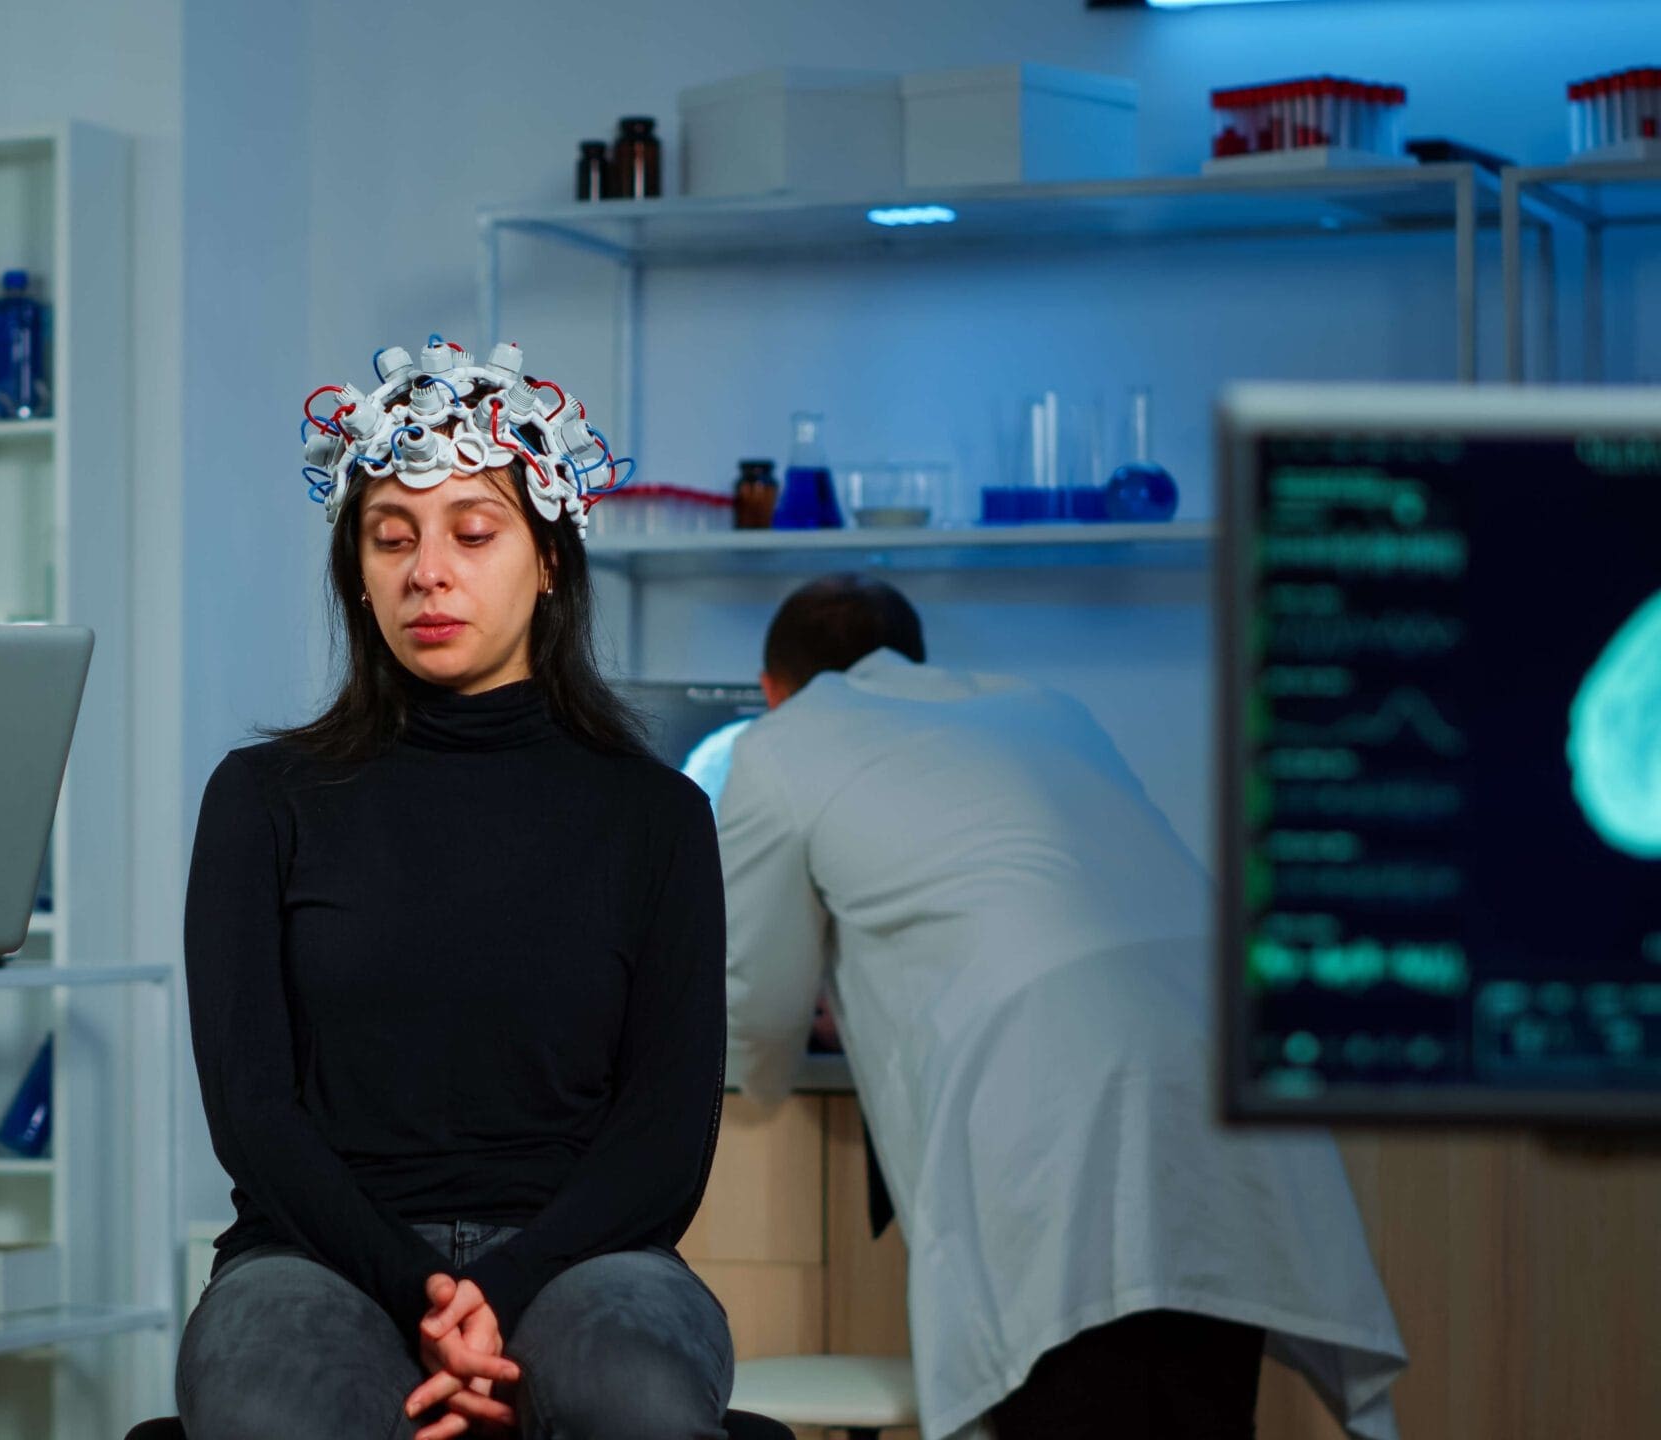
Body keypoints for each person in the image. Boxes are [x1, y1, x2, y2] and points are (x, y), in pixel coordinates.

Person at [177, 339, 734, 1440]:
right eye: (392, 538)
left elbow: (664, 1140)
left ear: (549, 561)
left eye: (473, 534)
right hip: (313, 1255)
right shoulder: (262, 799)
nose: (427, 570)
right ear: (358, 571)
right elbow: (254, 1111)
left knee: (642, 1404)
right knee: (267, 1415)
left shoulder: (657, 818)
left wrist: (508, 1287)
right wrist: (422, 1291)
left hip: (587, 1261)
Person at [715, 574, 1407, 1440]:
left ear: (772, 691)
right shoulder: (1045, 705)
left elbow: (751, 994)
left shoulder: (783, 743)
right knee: (1200, 1391)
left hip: (1051, 1083)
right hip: (1220, 1041)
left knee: (1075, 1391)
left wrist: (763, 1078)